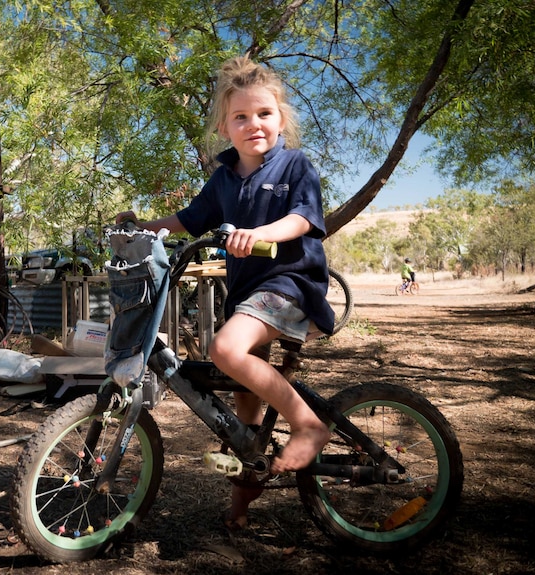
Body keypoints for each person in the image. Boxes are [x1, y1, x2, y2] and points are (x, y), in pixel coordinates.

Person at [116, 56, 334, 530]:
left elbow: (303, 217)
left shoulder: (295, 165)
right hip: (247, 296)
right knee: (244, 416)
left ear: (280, 119)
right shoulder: (223, 179)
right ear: (224, 126)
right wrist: (143, 228)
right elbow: (190, 220)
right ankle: (239, 510)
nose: (253, 124)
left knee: (224, 349)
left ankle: (310, 425)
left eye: (264, 114)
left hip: (290, 284)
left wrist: (260, 232)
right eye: (240, 117)